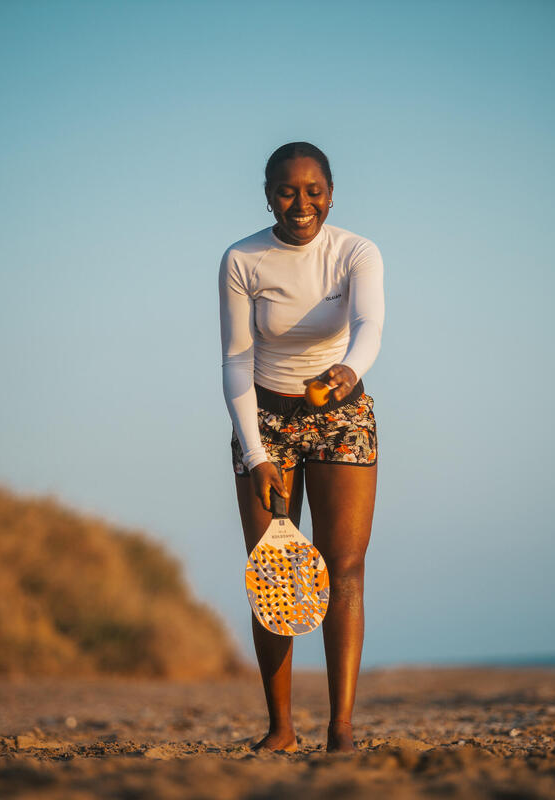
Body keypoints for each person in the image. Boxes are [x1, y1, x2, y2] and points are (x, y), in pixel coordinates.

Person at [218, 142, 384, 753]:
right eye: (287, 190)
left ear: (332, 193)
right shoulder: (243, 258)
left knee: (345, 568)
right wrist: (256, 452)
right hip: (264, 421)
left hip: (340, 414)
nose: (301, 202)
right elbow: (236, 360)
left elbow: (369, 325)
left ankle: (341, 728)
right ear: (268, 195)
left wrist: (347, 372)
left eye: (313, 190)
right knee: (274, 574)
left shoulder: (355, 252)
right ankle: (281, 728)